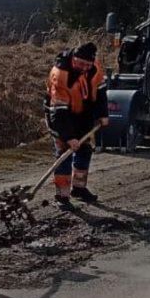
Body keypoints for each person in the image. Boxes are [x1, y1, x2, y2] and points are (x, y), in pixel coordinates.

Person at [45, 41, 109, 207]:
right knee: (64, 153)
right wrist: (69, 137)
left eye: (87, 65)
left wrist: (103, 114)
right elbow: (58, 112)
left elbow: (101, 93)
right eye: (80, 64)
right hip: (60, 116)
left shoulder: (95, 68)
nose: (84, 68)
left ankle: (79, 189)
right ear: (74, 58)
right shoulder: (60, 75)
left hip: (83, 114)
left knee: (84, 150)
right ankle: (62, 196)